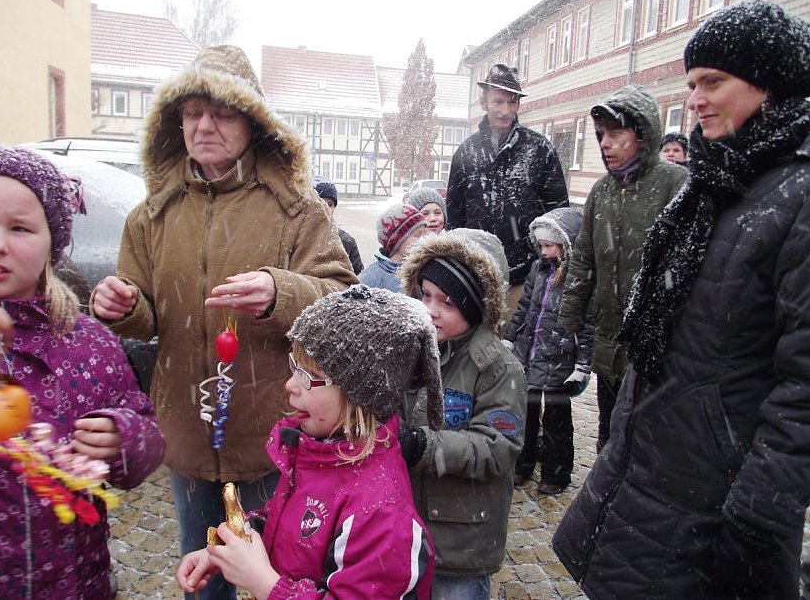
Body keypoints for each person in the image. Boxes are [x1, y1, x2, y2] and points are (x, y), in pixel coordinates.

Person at [553, 0, 810, 598]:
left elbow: (805, 389)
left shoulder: (798, 198)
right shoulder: (715, 182)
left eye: (712, 82)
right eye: (691, 83)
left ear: (769, 84)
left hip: (717, 504)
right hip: (653, 473)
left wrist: (755, 517)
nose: (694, 100)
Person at [89, 45, 356, 600]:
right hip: (186, 432)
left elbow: (342, 300)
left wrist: (280, 291)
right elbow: (144, 315)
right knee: (203, 574)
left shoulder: (296, 209)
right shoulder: (152, 214)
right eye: (191, 113)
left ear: (252, 121)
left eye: (221, 112)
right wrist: (122, 306)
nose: (203, 125)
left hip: (269, 433)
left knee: (275, 574)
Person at [0, 146, 164, 597]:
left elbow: (145, 430)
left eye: (20, 228)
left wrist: (125, 439)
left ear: (53, 242)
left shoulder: (89, 342)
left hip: (75, 582)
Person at [176, 284, 440, 599]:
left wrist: (264, 583)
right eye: (294, 367)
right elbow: (292, 526)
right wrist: (233, 546)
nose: (290, 385)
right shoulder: (320, 451)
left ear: (360, 395)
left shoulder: (382, 514)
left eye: (308, 375)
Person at [558, 84, 687, 453]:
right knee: (610, 429)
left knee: (647, 434)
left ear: (643, 135)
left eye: (615, 134)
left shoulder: (674, 184)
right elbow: (583, 258)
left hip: (655, 343)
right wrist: (569, 315)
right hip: (609, 336)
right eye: (601, 135)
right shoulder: (601, 192)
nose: (604, 144)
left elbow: (686, 265)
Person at [399, 228, 527, 599]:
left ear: (476, 306)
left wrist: (424, 445)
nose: (430, 310)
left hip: (461, 540)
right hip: (407, 533)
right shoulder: (413, 350)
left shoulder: (497, 368)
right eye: (425, 295)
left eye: (447, 302)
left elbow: (497, 448)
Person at [445, 63, 569, 316]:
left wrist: (550, 262)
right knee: (475, 348)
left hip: (525, 276)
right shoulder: (466, 152)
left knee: (514, 347)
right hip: (476, 276)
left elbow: (559, 214)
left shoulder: (539, 150)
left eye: (512, 103)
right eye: (498, 102)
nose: (505, 110)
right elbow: (454, 219)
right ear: (483, 102)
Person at [503, 207, 592, 494]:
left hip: (559, 359)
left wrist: (582, 365)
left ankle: (556, 473)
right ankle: (522, 464)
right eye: (540, 245)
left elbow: (587, 324)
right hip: (529, 353)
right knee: (525, 415)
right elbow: (524, 308)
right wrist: (509, 338)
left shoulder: (578, 278)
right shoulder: (537, 270)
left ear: (565, 246)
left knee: (557, 421)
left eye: (548, 246)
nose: (542, 251)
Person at [358, 203, 426, 292]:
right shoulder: (371, 278)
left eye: (424, 234)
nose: (423, 240)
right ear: (397, 240)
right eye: (417, 235)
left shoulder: (425, 270)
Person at [313, 178, 364, 275]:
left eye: (329, 204)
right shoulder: (297, 238)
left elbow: (358, 279)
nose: (325, 209)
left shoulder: (346, 242)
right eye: (319, 203)